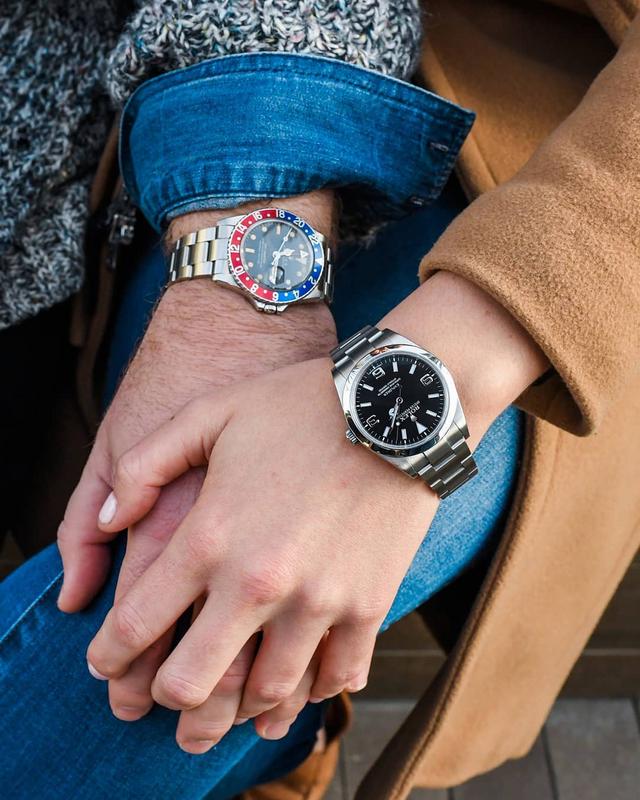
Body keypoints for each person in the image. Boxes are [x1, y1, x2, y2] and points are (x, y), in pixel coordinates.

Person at [1, 1, 639, 799]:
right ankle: (274, 748)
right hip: (119, 88)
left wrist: (454, 359)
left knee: (188, 602)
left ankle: (280, 742)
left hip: (553, 177)